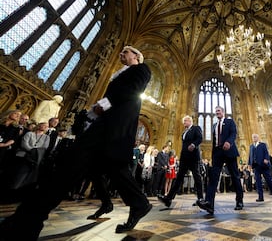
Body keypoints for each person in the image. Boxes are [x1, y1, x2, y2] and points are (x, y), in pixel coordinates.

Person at [0, 46, 152, 240]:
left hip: (112, 130)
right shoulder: (120, 74)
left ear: (137, 55)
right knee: (104, 169)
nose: (121, 55)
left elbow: (130, 92)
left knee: (69, 165)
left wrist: (101, 106)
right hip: (106, 129)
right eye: (121, 52)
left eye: (125, 52)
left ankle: (27, 221)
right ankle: (138, 203)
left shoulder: (141, 69)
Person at [197, 106, 243, 215]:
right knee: (213, 178)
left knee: (235, 176)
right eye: (216, 111)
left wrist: (229, 142)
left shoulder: (229, 121)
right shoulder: (214, 125)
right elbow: (214, 141)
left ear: (223, 112)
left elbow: (233, 134)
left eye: (219, 111)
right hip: (217, 153)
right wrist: (213, 157)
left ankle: (239, 201)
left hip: (229, 151)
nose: (217, 112)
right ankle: (209, 203)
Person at [158, 115, 204, 208]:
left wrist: (194, 145)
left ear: (189, 121)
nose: (184, 124)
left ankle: (200, 198)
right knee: (179, 178)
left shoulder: (196, 128)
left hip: (193, 157)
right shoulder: (184, 133)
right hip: (184, 158)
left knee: (197, 176)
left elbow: (200, 138)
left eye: (185, 122)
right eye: (183, 122)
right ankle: (168, 199)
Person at [248, 133, 272, 201]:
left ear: (258, 138)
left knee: (269, 180)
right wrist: (249, 164)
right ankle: (261, 197)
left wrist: (266, 159)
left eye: (255, 137)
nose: (254, 138)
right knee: (258, 182)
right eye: (253, 137)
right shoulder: (251, 146)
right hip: (256, 166)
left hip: (263, 165)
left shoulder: (263, 145)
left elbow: (266, 152)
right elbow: (250, 156)